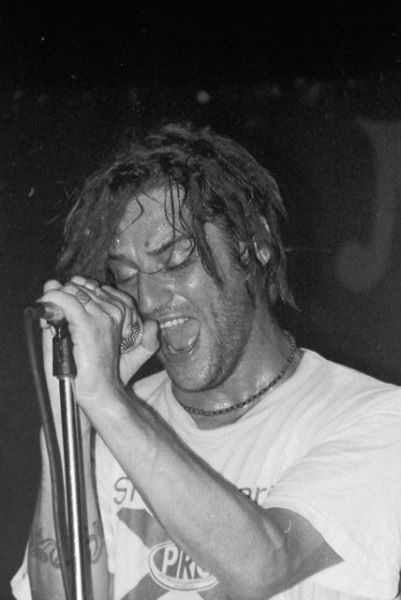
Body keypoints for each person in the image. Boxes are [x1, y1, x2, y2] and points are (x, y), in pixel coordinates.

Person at [12, 122, 401, 600]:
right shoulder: (113, 416)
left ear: (254, 245)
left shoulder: (376, 417)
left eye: (176, 261)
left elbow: (264, 567)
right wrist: (69, 421)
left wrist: (108, 403)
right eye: (126, 275)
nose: (148, 299)